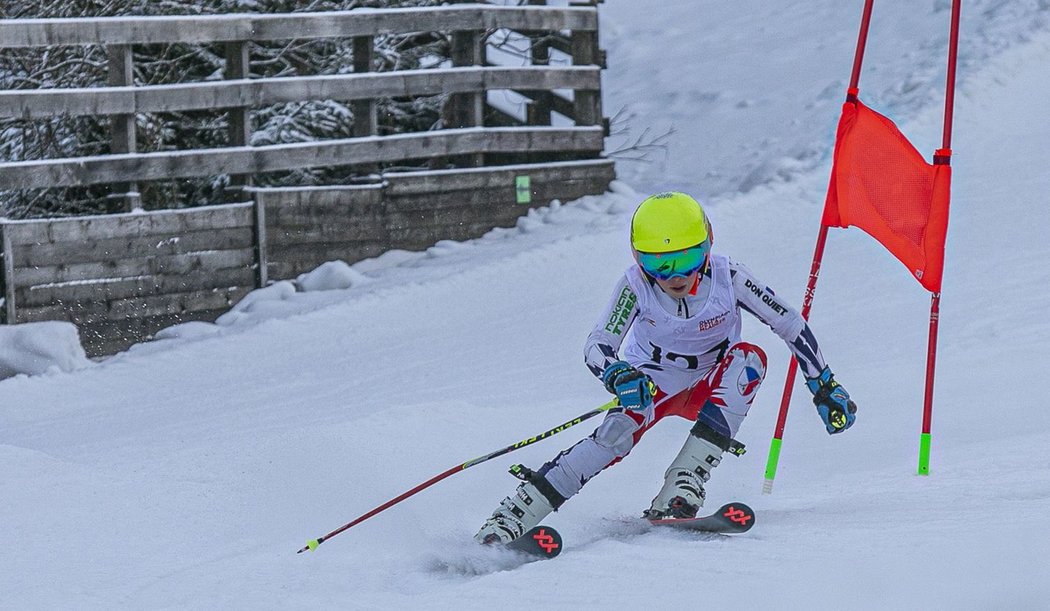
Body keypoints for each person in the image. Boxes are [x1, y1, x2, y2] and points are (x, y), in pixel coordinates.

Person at [474, 191, 857, 544]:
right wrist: (618, 374)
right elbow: (598, 344)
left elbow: (789, 323)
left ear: (708, 247)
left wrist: (823, 383)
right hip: (653, 380)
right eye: (658, 263)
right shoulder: (635, 285)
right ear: (640, 259)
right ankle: (513, 516)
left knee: (749, 360)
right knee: (615, 435)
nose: (674, 275)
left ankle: (683, 485)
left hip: (713, 378)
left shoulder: (730, 277)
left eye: (687, 259)